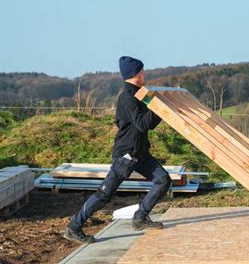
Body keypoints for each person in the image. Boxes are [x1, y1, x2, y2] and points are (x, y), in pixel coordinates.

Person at [64, 56, 171, 243]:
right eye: (142, 71)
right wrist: (158, 109)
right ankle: (74, 227)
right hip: (126, 155)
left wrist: (158, 109)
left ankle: (140, 217)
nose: (144, 73)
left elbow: (146, 123)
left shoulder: (140, 94)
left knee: (163, 180)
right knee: (105, 194)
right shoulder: (127, 97)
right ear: (135, 74)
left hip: (140, 153)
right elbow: (143, 124)